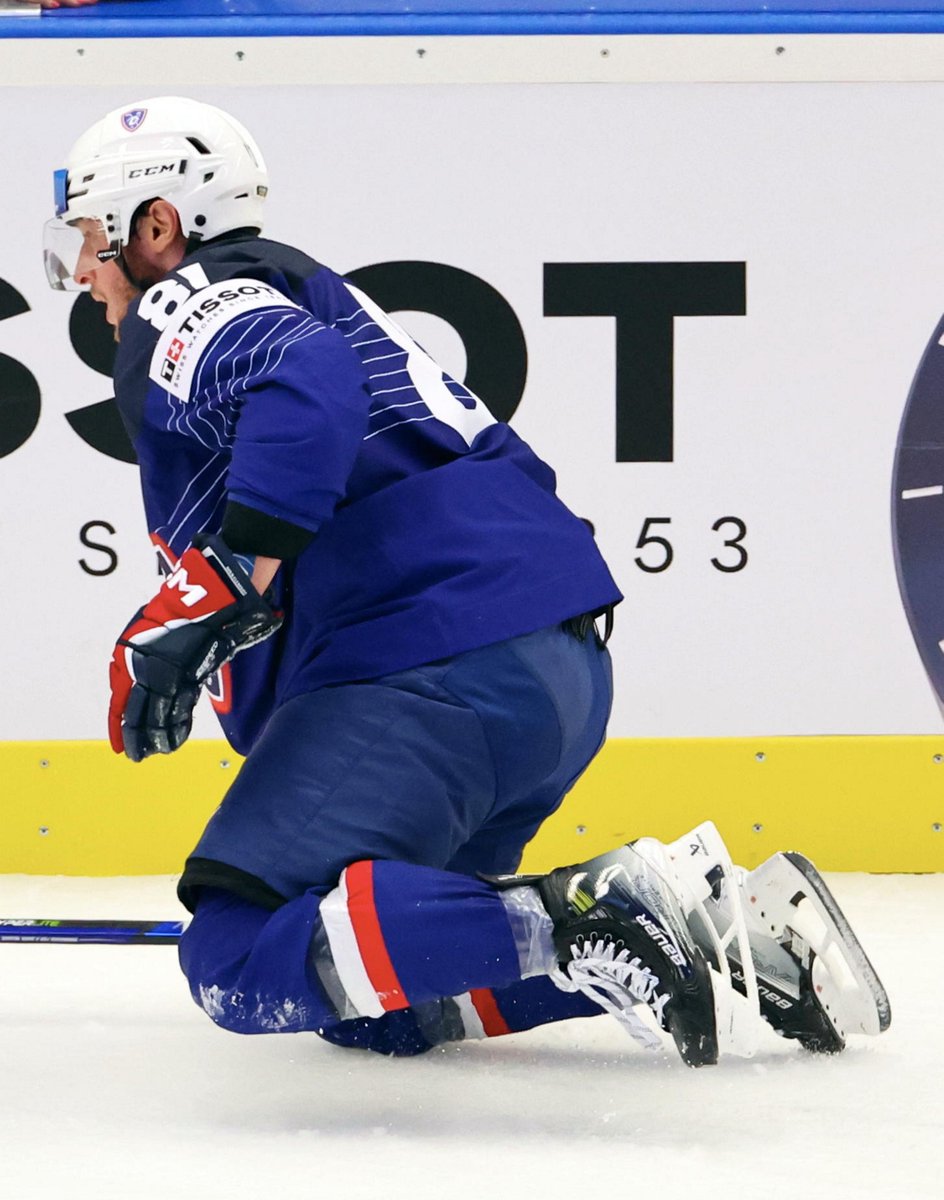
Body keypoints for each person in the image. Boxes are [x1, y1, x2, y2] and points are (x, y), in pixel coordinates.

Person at [43, 96, 889, 1066]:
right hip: (547, 667)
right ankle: (731, 935)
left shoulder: (186, 296)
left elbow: (303, 380)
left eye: (91, 237)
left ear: (157, 226)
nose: (84, 278)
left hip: (426, 666)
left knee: (235, 959)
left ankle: (578, 914)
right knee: (377, 995)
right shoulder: (299, 290)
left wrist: (222, 581)